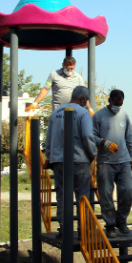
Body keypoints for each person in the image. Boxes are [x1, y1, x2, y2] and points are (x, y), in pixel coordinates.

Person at [43, 86, 97, 239]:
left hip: (59, 160)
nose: (86, 103)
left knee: (62, 196)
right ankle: (82, 230)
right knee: (82, 196)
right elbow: (87, 136)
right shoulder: (83, 113)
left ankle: (64, 228)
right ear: (82, 99)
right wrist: (92, 154)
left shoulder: (55, 113)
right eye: (86, 100)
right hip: (78, 160)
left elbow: (48, 139)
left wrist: (50, 156)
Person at [92, 89, 132, 238]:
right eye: (116, 103)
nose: (118, 106)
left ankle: (121, 220)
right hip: (105, 162)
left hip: (123, 161)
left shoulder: (124, 115)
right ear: (109, 100)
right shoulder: (99, 116)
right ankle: (110, 224)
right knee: (105, 194)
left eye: (121, 103)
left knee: (128, 191)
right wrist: (103, 142)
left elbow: (128, 138)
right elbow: (91, 135)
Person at [28, 56, 93, 113]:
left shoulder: (78, 77)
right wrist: (35, 103)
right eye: (68, 68)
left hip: (74, 111)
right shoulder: (54, 74)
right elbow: (45, 89)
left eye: (72, 68)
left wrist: (90, 109)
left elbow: (83, 95)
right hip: (58, 111)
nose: (70, 71)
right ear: (63, 65)